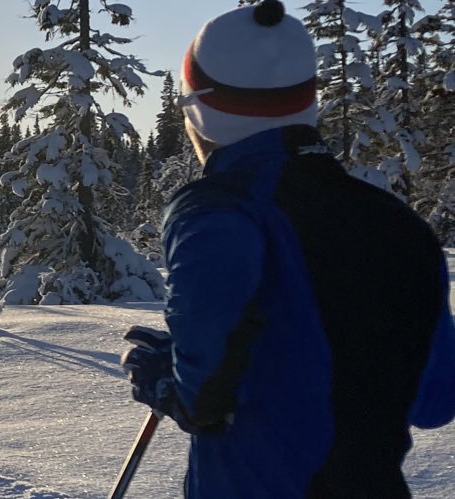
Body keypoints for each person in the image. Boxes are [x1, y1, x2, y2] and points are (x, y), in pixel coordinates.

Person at [121, 1, 455, 497]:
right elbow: (434, 402)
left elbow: (203, 398)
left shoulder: (215, 213)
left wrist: (165, 380)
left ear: (202, 113)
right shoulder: (399, 224)